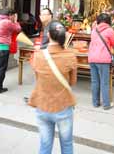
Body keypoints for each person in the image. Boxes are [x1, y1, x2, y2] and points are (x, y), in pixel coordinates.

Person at [28, 21, 77, 154]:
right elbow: (72, 82)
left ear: (48, 35)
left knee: (45, 145)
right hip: (63, 106)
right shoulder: (71, 55)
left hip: (43, 105)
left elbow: (37, 76)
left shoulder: (38, 55)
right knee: (67, 144)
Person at [88, 13, 114, 110]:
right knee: (105, 82)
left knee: (94, 81)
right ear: (108, 21)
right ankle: (106, 104)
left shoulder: (94, 30)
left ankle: (95, 103)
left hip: (92, 58)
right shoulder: (109, 30)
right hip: (103, 59)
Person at [0, 8, 21, 94]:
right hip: (2, 48)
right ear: (10, 15)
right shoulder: (8, 22)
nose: (14, 17)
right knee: (1, 69)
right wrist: (16, 21)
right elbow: (18, 29)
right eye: (14, 15)